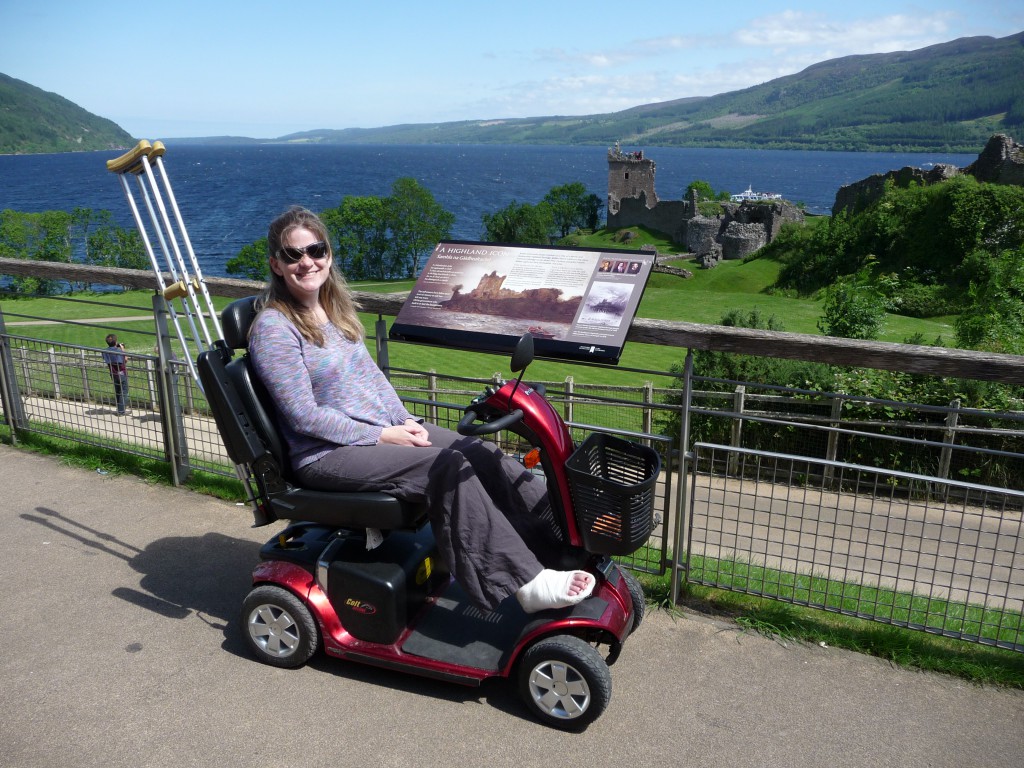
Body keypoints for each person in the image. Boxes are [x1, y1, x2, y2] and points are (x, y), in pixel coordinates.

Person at [248, 206, 594, 614]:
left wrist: (404, 420)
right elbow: (302, 416)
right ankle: (523, 583)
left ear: (328, 254)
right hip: (324, 454)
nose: (307, 261)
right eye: (293, 255)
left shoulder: (332, 310)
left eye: (316, 249)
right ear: (276, 263)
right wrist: (382, 435)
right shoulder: (274, 328)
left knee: (477, 451)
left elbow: (372, 379)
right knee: (446, 467)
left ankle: (557, 540)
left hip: (375, 433)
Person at [102, 333, 130, 415]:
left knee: (118, 391)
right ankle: (121, 411)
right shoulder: (119, 351)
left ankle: (120, 409)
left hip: (113, 374)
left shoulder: (105, 351)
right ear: (116, 342)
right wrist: (123, 349)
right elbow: (125, 360)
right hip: (121, 373)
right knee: (123, 391)